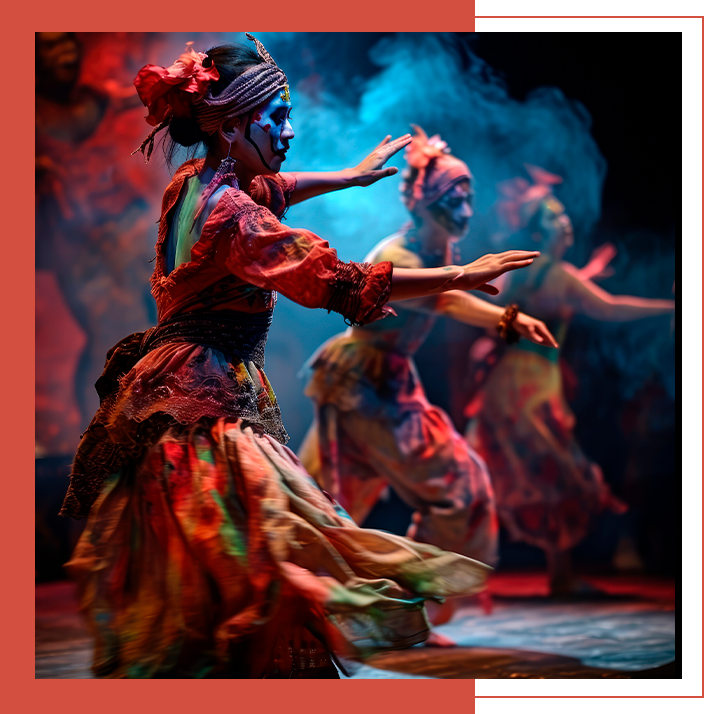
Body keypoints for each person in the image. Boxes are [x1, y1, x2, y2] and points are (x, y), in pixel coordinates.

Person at [60, 37, 542, 679]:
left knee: (215, 573)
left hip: (173, 391)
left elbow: (276, 184)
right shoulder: (234, 216)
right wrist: (459, 274)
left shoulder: (193, 183)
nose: (289, 132)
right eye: (277, 118)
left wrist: (351, 176)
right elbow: (333, 278)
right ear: (231, 125)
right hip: (202, 403)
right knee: (262, 561)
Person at [298, 127, 557, 622]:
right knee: (450, 485)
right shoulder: (397, 256)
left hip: (386, 382)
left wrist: (504, 313)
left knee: (330, 504)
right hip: (363, 384)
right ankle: (404, 605)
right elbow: (444, 299)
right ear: (426, 201)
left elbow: (447, 295)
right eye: (454, 197)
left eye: (469, 196)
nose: (466, 209)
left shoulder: (439, 254)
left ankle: (396, 606)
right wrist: (506, 318)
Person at [464, 164, 675, 596]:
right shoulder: (557, 276)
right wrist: (673, 308)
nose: (566, 224)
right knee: (553, 472)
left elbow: (528, 303)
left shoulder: (522, 269)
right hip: (535, 384)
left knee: (501, 469)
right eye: (557, 218)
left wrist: (589, 274)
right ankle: (559, 573)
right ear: (546, 232)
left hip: (505, 382)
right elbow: (607, 308)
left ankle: (468, 567)